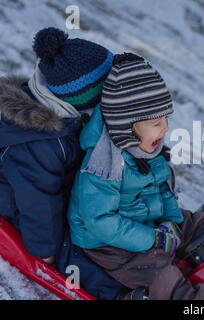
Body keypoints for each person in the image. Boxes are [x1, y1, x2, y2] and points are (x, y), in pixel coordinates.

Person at [67, 52, 204, 300]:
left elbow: (164, 190)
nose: (165, 129)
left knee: (194, 224)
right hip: (108, 245)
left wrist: (172, 224)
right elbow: (101, 223)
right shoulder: (101, 167)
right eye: (156, 123)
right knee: (159, 272)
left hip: (146, 223)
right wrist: (154, 239)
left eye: (165, 119)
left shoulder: (146, 149)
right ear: (127, 126)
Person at [0, 27, 123, 299]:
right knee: (74, 249)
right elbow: (38, 204)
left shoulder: (73, 112)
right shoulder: (39, 142)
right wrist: (46, 251)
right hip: (20, 207)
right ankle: (119, 293)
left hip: (62, 191)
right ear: (89, 96)